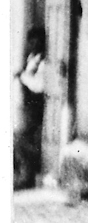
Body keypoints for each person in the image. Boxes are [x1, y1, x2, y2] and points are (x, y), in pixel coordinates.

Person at [13, 28, 47, 189]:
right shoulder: (31, 58)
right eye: (31, 41)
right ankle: (24, 175)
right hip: (28, 107)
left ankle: (27, 177)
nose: (33, 44)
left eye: (36, 41)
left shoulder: (43, 61)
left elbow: (39, 86)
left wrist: (23, 77)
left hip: (37, 107)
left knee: (23, 140)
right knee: (21, 140)